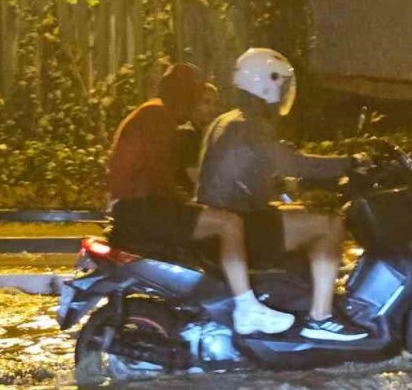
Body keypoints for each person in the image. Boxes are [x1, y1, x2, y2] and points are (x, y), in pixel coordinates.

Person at [107, 62, 294, 335]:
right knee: (228, 224)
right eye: (196, 98)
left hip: (137, 206)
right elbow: (155, 173)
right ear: (185, 96)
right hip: (141, 208)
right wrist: (185, 205)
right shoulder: (157, 116)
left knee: (218, 222)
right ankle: (247, 308)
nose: (197, 106)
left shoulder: (154, 114)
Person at [197, 48, 369, 342]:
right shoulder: (248, 126)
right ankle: (321, 318)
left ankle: (299, 295)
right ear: (268, 84)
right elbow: (293, 164)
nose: (287, 93)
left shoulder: (229, 120)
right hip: (240, 223)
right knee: (330, 224)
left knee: (301, 212)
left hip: (226, 217)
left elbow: (259, 168)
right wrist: (350, 162)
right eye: (284, 85)